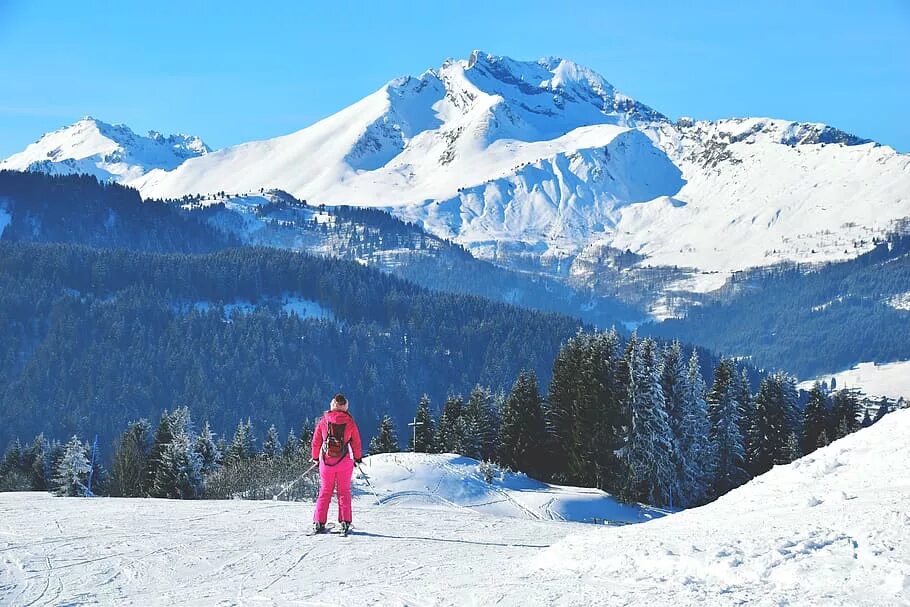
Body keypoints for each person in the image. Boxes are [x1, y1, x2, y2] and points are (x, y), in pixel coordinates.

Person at [311, 393, 363, 534]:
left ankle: (319, 522)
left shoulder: (323, 421)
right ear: (345, 407)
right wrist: (358, 458)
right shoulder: (350, 422)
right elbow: (356, 442)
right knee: (343, 492)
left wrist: (315, 458)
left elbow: (316, 442)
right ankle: (345, 522)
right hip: (344, 462)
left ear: (332, 405)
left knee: (325, 492)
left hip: (326, 463)